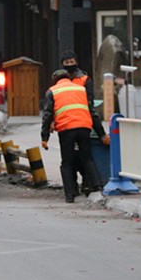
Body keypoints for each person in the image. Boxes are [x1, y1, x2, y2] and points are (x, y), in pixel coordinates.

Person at [41, 69, 110, 203]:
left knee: (67, 162)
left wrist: (45, 138)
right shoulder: (80, 89)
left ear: (55, 80)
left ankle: (70, 195)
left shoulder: (52, 91)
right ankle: (97, 186)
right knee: (87, 158)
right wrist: (102, 134)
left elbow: (47, 115)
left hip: (66, 129)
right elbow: (92, 112)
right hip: (84, 127)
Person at [59, 49, 106, 194]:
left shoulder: (85, 80)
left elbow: (90, 106)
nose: (69, 65)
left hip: (82, 122)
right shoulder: (60, 80)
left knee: (83, 155)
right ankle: (75, 187)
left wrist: (100, 132)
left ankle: (87, 184)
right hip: (67, 123)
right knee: (72, 157)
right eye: (66, 63)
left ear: (77, 63)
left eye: (71, 62)